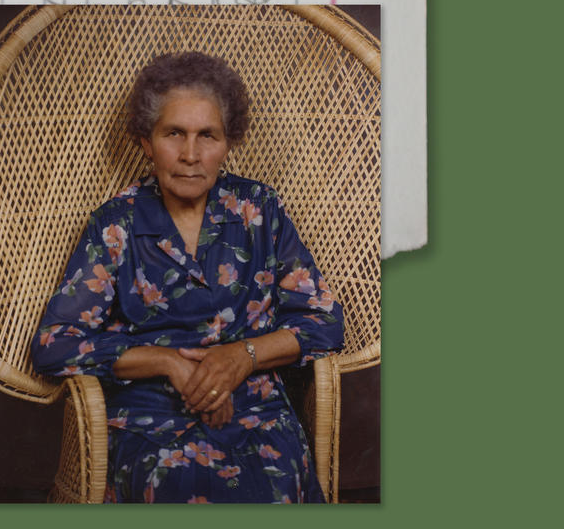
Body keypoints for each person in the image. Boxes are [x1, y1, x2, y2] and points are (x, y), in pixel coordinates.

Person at [31, 51, 343, 503]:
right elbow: (54, 344)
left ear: (229, 143)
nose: (191, 154)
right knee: (175, 484)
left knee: (273, 487)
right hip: (149, 413)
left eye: (207, 136)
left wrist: (242, 357)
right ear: (145, 141)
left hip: (255, 408)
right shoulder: (116, 223)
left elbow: (324, 321)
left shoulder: (259, 210)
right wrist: (168, 363)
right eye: (174, 133)